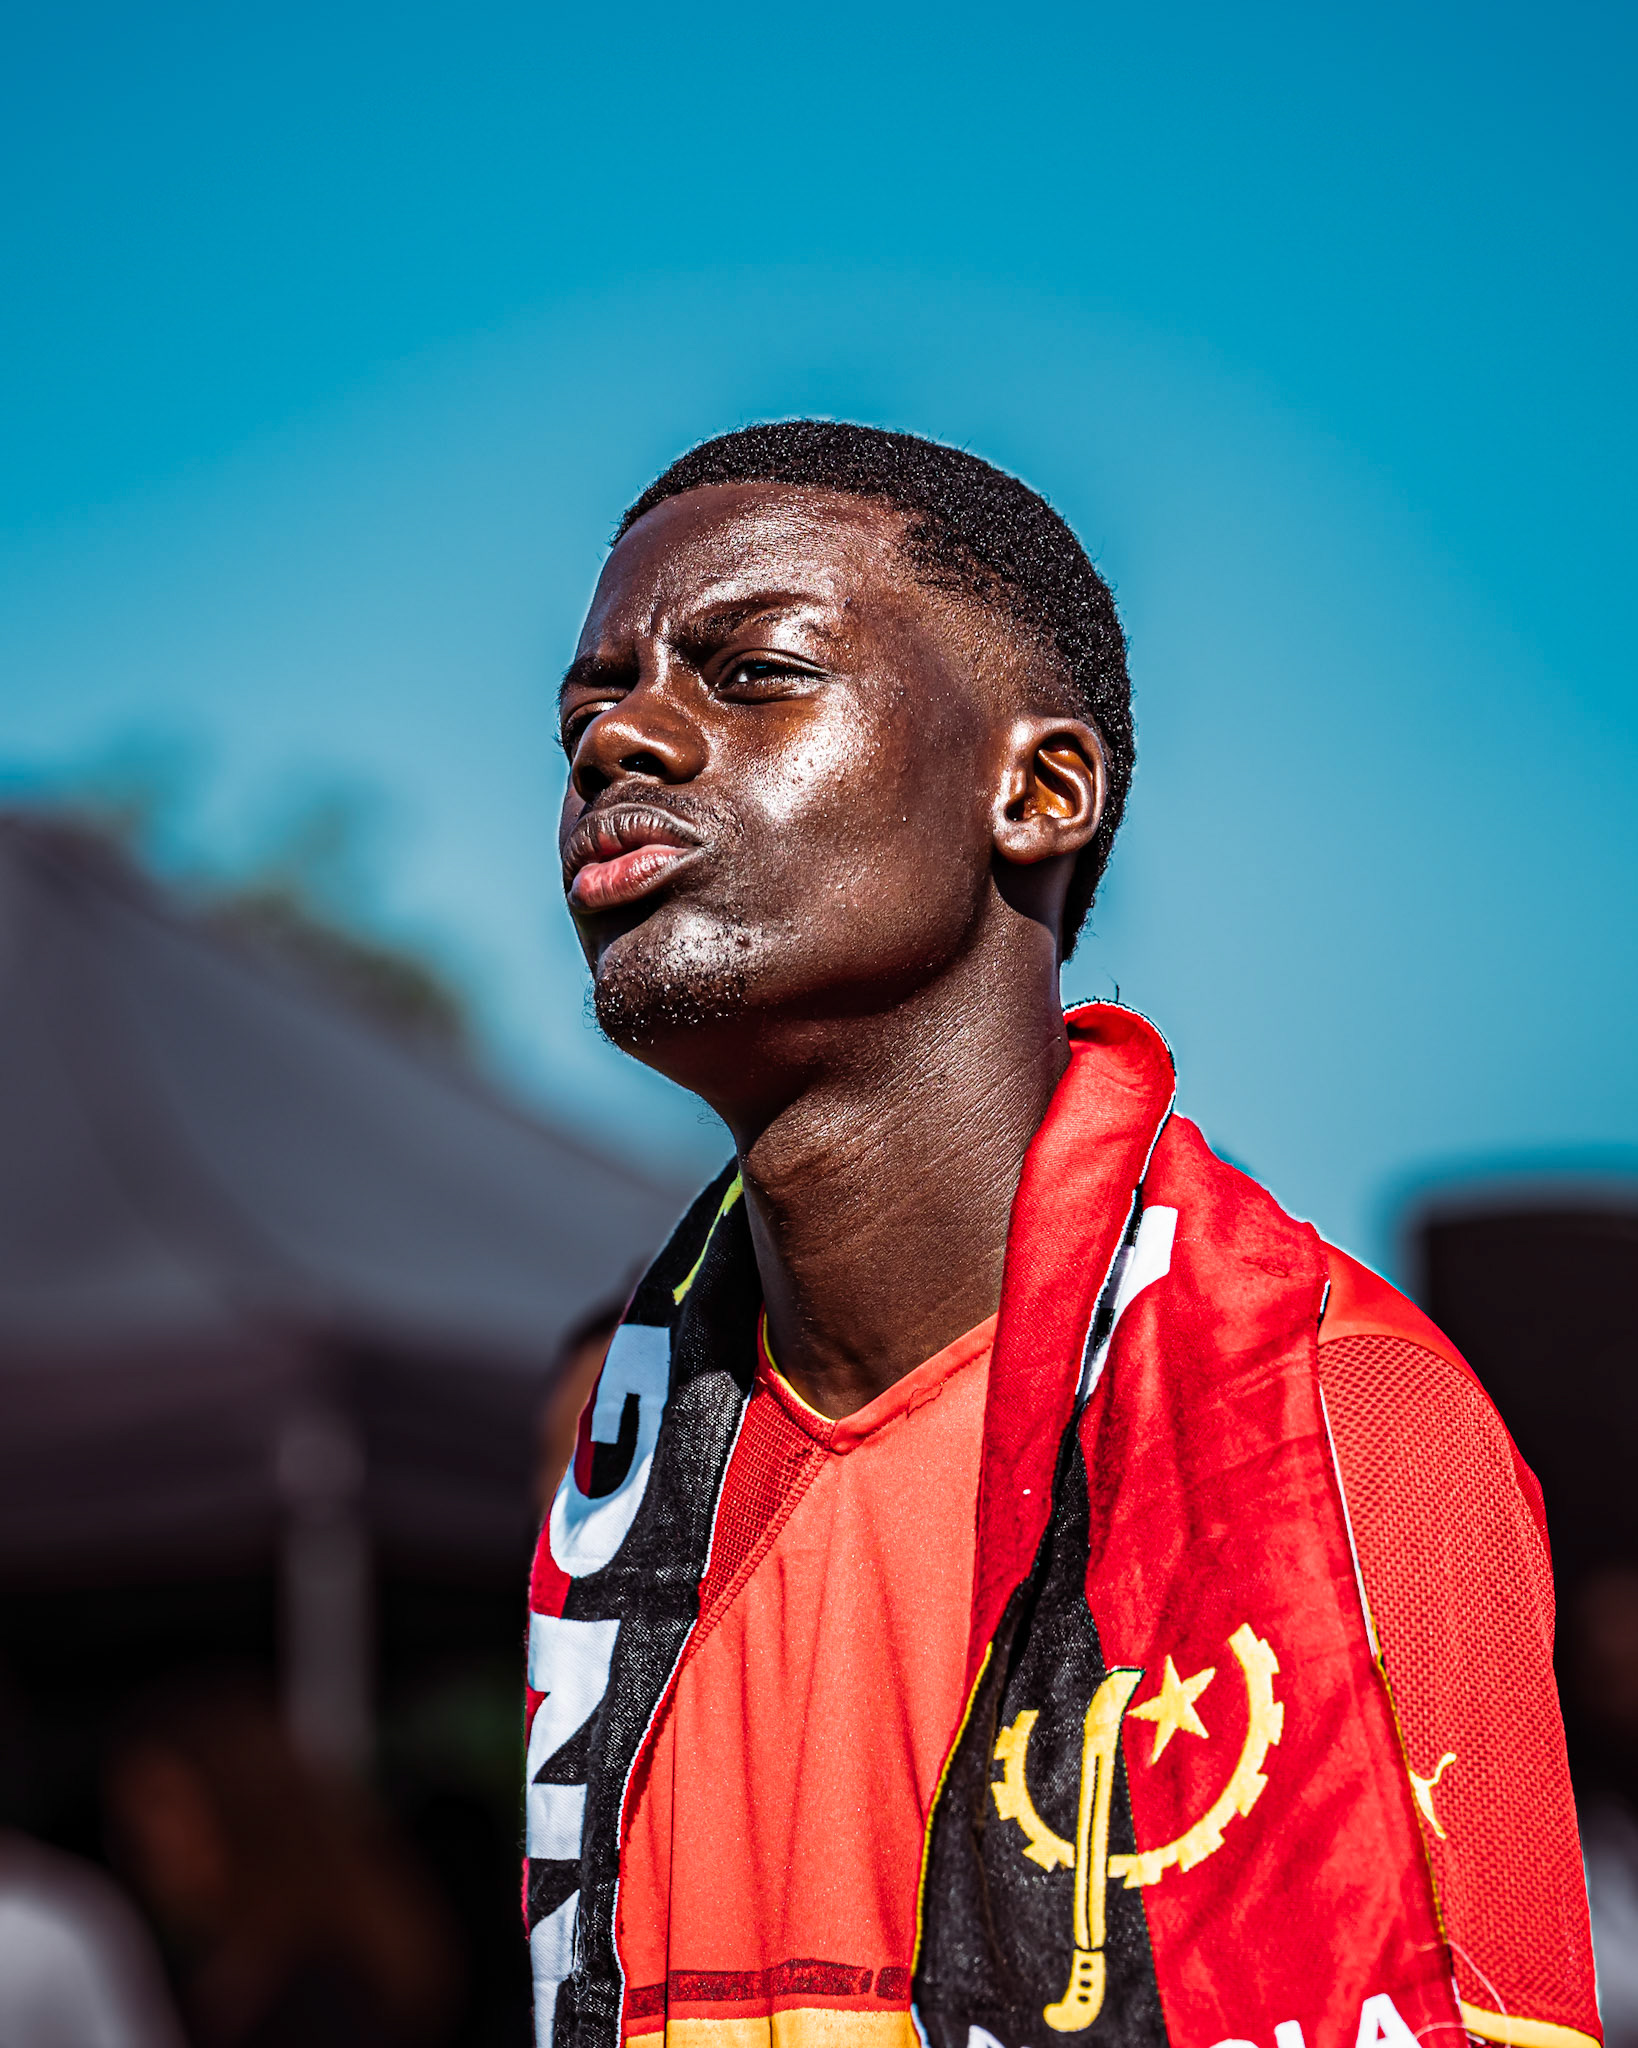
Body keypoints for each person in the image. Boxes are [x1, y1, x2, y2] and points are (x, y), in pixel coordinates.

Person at [524, 423, 1599, 2048]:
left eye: (749, 672)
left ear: (1035, 791)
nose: (624, 741)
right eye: (585, 707)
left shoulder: (1337, 1423)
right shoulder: (627, 1497)